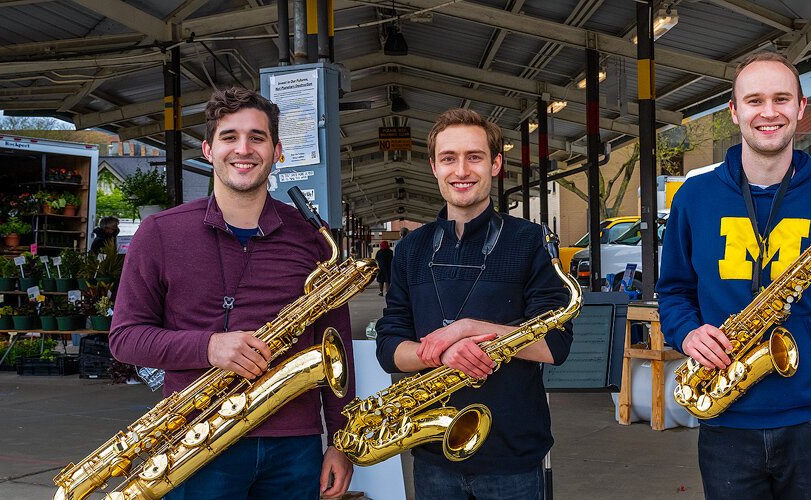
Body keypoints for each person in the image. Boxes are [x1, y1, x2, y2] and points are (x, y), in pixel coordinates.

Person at [656, 50, 811, 500]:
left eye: (781, 99)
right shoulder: (694, 197)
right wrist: (685, 333)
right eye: (754, 100)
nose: (768, 112)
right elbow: (674, 291)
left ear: (801, 108)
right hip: (725, 422)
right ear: (734, 110)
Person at [108, 87, 354, 499]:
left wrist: (341, 442)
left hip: (294, 446)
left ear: (278, 152)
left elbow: (337, 346)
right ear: (207, 149)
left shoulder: (312, 238)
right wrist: (208, 348)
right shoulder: (160, 233)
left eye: (257, 137)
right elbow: (124, 338)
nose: (244, 149)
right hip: (195, 441)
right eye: (229, 137)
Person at [373, 108, 572, 500]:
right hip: (432, 455)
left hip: (513, 457)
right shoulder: (411, 248)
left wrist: (467, 329)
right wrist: (442, 355)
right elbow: (388, 346)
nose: (461, 170)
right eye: (449, 158)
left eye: (474, 157)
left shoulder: (531, 241)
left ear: (496, 164)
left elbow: (555, 345)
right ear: (433, 167)